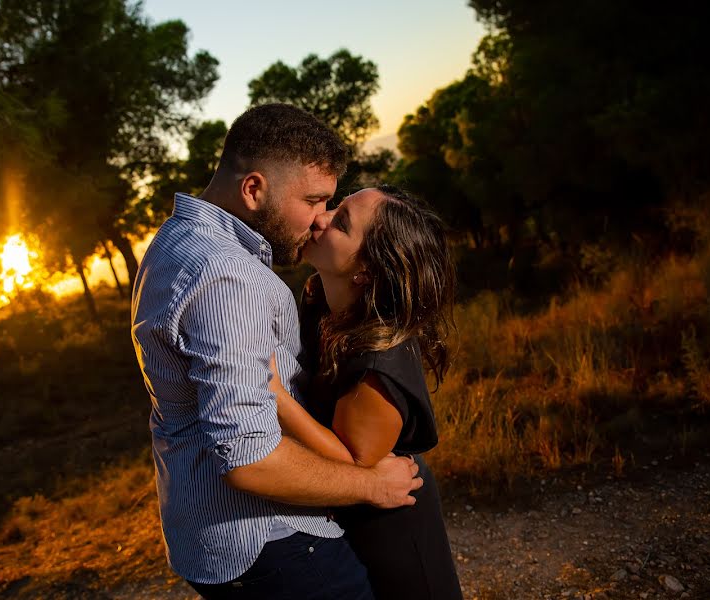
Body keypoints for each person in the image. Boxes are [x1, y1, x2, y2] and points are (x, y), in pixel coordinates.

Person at [130, 104, 423, 600]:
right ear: (253, 189)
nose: (318, 221)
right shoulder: (229, 277)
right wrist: (373, 487)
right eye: (312, 200)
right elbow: (250, 459)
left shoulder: (176, 240)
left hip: (207, 531)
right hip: (271, 542)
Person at [269, 185, 463, 599]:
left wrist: (275, 396)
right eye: (335, 206)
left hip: (391, 530)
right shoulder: (321, 304)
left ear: (366, 271)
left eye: (341, 223)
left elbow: (356, 462)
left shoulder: (382, 359)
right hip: (345, 521)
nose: (321, 217)